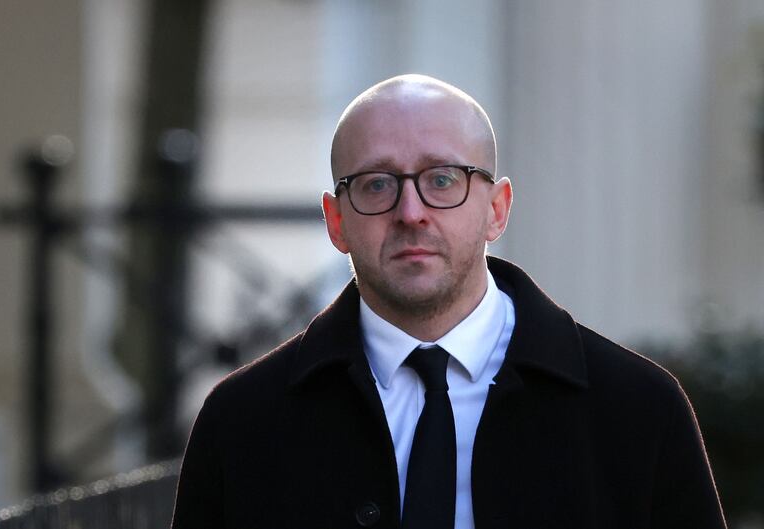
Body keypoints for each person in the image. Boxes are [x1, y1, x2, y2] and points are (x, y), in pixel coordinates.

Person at [170, 74, 726, 529]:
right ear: (336, 221)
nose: (411, 212)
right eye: (377, 184)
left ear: (497, 209)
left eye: (442, 179)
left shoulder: (637, 410)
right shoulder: (242, 422)